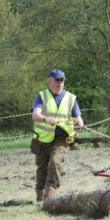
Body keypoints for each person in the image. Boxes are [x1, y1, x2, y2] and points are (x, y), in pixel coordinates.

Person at [31, 69, 84, 202]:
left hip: (61, 140)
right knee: (42, 168)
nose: (60, 83)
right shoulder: (41, 96)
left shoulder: (71, 98)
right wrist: (45, 119)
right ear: (50, 81)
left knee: (54, 163)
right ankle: (40, 196)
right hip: (42, 139)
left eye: (62, 80)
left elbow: (78, 117)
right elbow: (35, 115)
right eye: (57, 80)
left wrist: (79, 121)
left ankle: (50, 197)